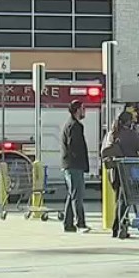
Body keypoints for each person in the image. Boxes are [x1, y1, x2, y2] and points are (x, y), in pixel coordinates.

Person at [100, 111, 139, 239]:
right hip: (128, 171)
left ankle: (117, 227)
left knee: (119, 199)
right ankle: (120, 226)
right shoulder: (131, 134)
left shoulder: (111, 134)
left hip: (114, 172)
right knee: (124, 200)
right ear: (129, 122)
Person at [60, 99, 90, 233]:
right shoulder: (75, 126)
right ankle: (80, 223)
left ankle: (68, 224)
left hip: (69, 164)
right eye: (83, 108)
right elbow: (75, 146)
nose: (85, 111)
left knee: (72, 194)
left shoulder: (69, 124)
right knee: (77, 195)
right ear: (77, 110)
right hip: (74, 165)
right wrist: (81, 162)